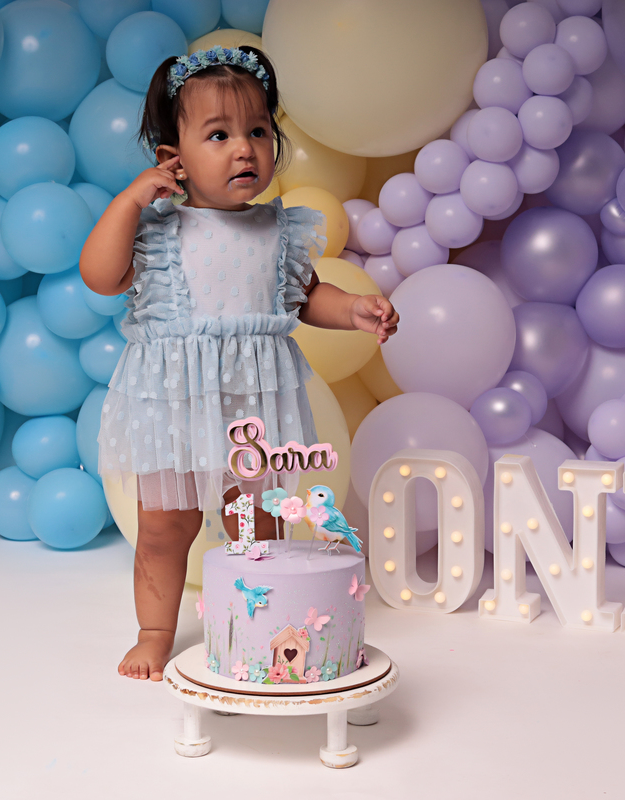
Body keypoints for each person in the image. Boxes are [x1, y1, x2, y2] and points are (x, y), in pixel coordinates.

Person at [80, 45, 399, 681]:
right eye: (219, 135)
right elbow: (100, 275)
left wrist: (353, 309)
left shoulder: (276, 230)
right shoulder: (157, 230)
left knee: (254, 524)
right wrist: (128, 202)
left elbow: (306, 297)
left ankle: (258, 624)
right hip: (174, 406)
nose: (244, 149)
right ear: (172, 156)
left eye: (257, 131)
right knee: (164, 528)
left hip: (251, 410)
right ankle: (154, 632)